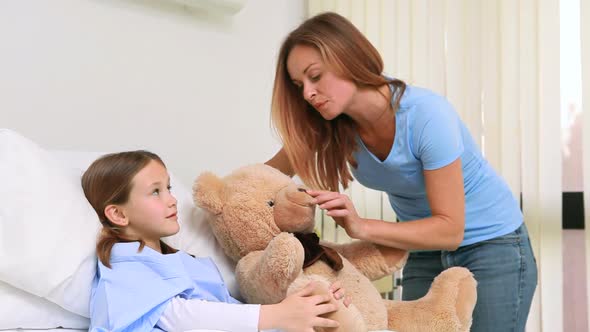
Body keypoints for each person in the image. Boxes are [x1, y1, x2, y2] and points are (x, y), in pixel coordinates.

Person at [265, 11, 538, 332]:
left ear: (349, 58)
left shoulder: (425, 115)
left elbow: (451, 231)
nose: (307, 94)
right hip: (423, 249)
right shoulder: (330, 127)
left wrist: (361, 226)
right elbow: (263, 180)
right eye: (299, 85)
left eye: (315, 76)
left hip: (493, 246)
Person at [81, 150, 349, 332]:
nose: (172, 199)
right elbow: (179, 317)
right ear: (117, 213)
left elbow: (228, 314)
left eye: (169, 188)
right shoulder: (122, 265)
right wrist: (276, 315)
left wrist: (308, 306)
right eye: (155, 192)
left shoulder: (181, 263)